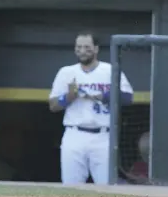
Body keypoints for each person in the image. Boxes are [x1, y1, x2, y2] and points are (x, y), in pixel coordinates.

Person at [48, 31, 134, 184]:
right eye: (79, 47)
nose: (82, 51)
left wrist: (105, 96)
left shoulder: (110, 70)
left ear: (96, 49)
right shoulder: (67, 72)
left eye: (87, 47)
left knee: (106, 186)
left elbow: (128, 98)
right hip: (74, 134)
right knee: (71, 186)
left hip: (103, 135)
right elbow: (53, 106)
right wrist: (69, 97)